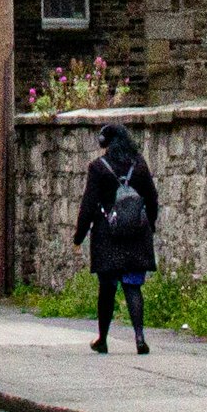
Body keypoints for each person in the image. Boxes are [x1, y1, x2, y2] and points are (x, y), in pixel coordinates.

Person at [73, 122, 159, 356]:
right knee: (133, 286)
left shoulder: (98, 167)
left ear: (104, 143)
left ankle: (102, 338)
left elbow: (88, 204)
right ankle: (139, 337)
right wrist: (149, 224)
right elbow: (152, 198)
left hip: (107, 235)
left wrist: (79, 236)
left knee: (107, 288)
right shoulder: (139, 164)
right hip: (136, 236)